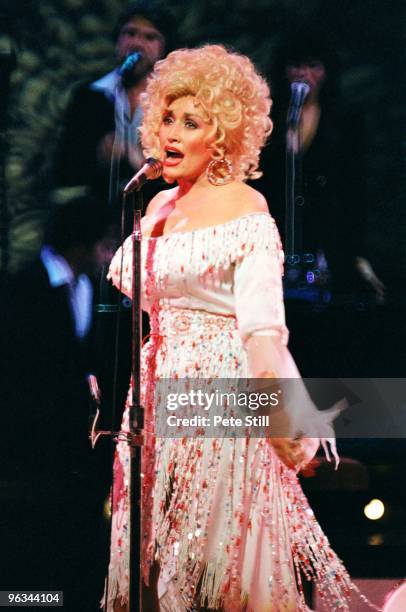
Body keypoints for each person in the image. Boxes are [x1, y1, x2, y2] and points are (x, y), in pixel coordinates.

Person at [105, 45, 370, 611]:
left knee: (212, 563)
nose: (172, 133)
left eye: (191, 122)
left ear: (222, 137)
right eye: (168, 118)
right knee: (153, 555)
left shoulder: (247, 210)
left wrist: (281, 419)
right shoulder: (154, 210)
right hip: (153, 401)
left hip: (219, 399)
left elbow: (263, 332)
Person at [0, 197, 117, 611]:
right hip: (31, 450)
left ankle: (72, 600)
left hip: (75, 452)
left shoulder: (86, 287)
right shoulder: (22, 289)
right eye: (105, 244)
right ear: (82, 242)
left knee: (74, 547)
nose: (109, 256)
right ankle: (28, 603)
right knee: (32, 552)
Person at [254, 31, 385, 377]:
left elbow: (355, 188)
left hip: (329, 237)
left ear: (327, 72)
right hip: (277, 236)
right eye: (295, 66)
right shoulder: (268, 120)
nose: (303, 75)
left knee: (328, 336)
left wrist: (355, 252)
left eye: (313, 66)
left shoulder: (344, 119)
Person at [54, 0, 174, 205]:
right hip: (97, 212)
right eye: (130, 33)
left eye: (149, 37)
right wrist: (99, 158)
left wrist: (138, 160)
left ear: (163, 47)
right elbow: (66, 171)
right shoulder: (88, 96)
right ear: (118, 40)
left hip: (154, 209)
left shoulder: (173, 100)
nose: (137, 43)